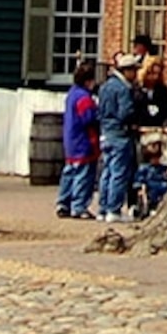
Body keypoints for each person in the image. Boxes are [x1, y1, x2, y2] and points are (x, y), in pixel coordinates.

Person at [95, 54, 144, 222]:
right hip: (120, 134)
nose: (136, 75)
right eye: (134, 71)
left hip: (106, 132)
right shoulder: (124, 89)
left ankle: (102, 208)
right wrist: (133, 122)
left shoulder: (105, 86)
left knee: (107, 172)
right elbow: (126, 112)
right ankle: (114, 209)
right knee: (119, 172)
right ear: (127, 71)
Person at [57, 57, 101, 219]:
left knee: (69, 172)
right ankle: (79, 206)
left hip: (71, 140)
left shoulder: (72, 94)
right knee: (83, 175)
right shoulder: (84, 98)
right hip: (84, 142)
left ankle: (63, 202)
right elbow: (88, 119)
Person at [130, 35, 167, 131]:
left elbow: (166, 112)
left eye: (158, 74)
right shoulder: (137, 91)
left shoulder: (162, 91)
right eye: (152, 74)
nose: (155, 77)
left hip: (157, 130)